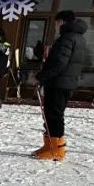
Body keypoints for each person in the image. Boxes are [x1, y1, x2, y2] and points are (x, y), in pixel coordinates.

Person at [33, 10, 87, 161]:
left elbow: (59, 63)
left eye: (56, 23)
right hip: (64, 82)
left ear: (62, 22)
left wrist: (40, 77)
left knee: (54, 115)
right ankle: (49, 145)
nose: (55, 27)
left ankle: (57, 149)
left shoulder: (67, 38)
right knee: (52, 114)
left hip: (59, 82)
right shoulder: (77, 37)